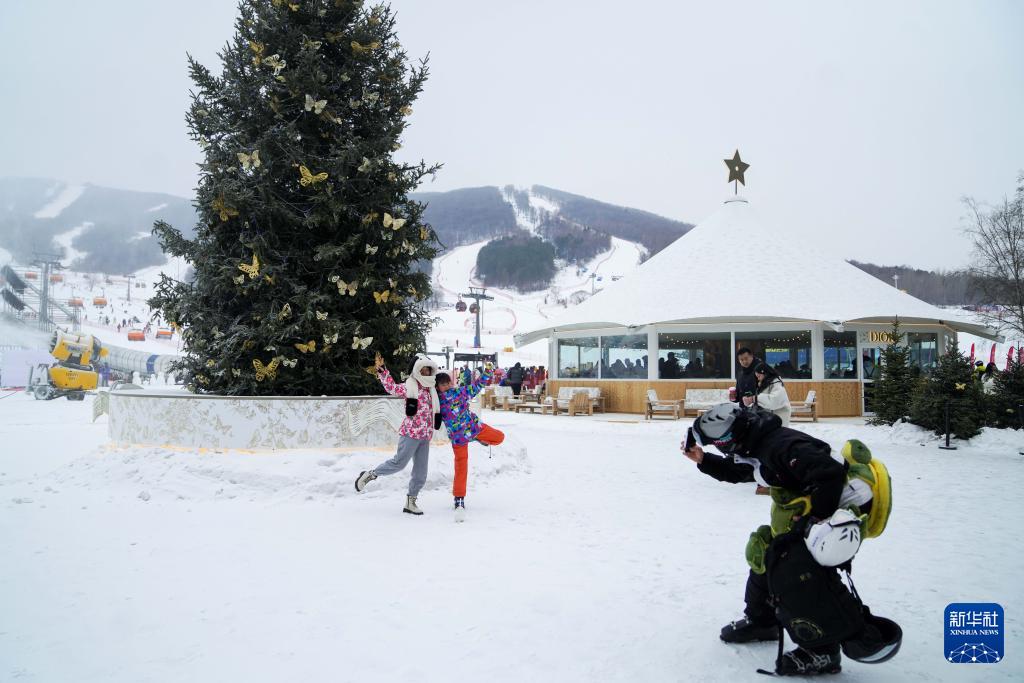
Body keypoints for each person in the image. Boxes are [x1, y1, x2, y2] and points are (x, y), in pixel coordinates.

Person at [682, 404, 881, 675]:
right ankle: (762, 620)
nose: (720, 449)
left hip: (840, 512)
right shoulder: (754, 443)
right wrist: (705, 460)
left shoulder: (780, 445)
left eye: (717, 444)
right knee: (766, 552)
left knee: (796, 569)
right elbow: (746, 471)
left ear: (728, 438)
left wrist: (813, 521)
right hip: (814, 509)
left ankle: (823, 651)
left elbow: (829, 473)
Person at [355, 352, 442, 515]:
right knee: (399, 463)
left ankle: (411, 501)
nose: (426, 373)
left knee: (421, 473)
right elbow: (392, 388)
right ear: (416, 370)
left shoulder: (432, 391)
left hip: (425, 436)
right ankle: (370, 475)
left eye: (428, 370)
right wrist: (382, 371)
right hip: (410, 433)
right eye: (423, 370)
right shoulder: (410, 385)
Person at [435, 367, 505, 520]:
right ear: (437, 387)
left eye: (447, 383)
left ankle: (477, 438)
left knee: (500, 437)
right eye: (442, 384)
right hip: (458, 438)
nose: (446, 386)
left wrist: (487, 372)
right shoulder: (436, 400)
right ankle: (459, 498)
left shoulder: (459, 392)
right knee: (461, 467)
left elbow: (477, 386)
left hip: (474, 428)